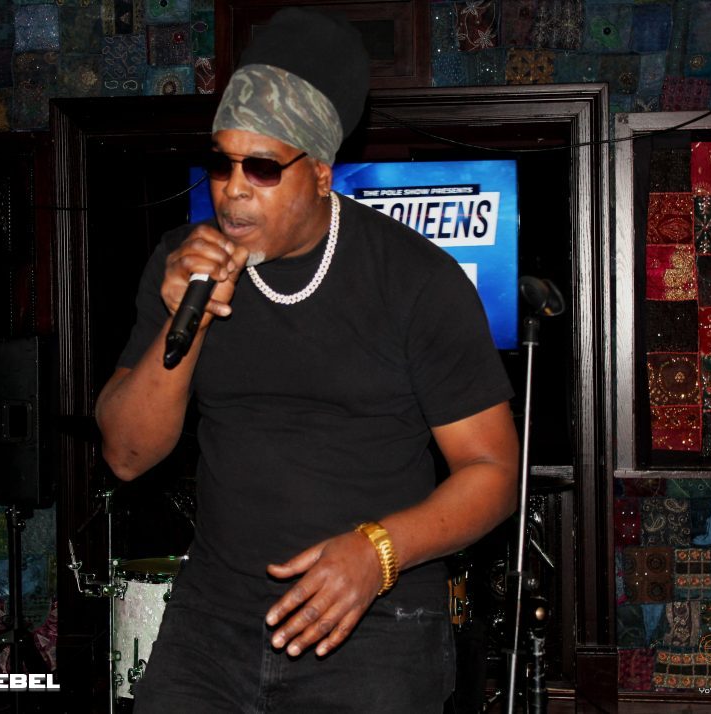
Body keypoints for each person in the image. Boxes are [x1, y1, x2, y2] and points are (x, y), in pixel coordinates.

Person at [95, 7, 519, 712]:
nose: (233, 188)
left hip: (374, 628)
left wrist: (377, 552)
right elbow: (127, 455)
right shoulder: (181, 265)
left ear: (321, 174)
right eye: (221, 162)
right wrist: (183, 318)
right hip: (214, 624)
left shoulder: (416, 280)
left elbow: (494, 472)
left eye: (262, 167)